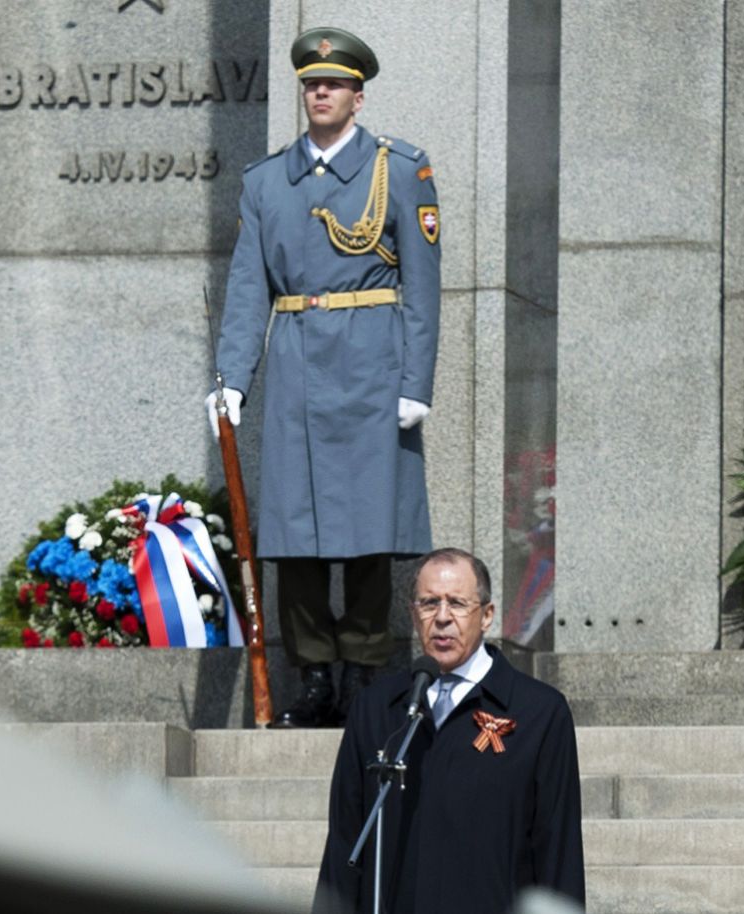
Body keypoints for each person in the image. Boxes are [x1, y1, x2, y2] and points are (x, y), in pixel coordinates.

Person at [207, 27, 441, 728]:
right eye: (312, 84)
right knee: (294, 537)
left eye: (334, 84)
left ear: (357, 96)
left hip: (373, 363)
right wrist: (233, 378)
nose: (321, 93)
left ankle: (367, 678)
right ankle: (313, 679)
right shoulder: (265, 182)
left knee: (369, 536)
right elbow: (249, 288)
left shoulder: (399, 170)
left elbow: (424, 288)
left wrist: (416, 383)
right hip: (298, 364)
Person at [313, 548, 584, 914]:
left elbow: (557, 852)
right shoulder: (377, 709)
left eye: (457, 603)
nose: (442, 618)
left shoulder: (539, 713)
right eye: (428, 604)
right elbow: (345, 841)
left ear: (486, 615)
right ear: (413, 614)